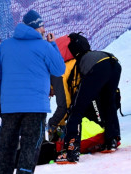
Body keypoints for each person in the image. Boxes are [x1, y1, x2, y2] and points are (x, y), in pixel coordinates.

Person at [0, 10, 65, 174]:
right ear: (36, 26)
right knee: (30, 145)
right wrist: (52, 44)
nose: (44, 30)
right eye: (42, 26)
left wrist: (2, 98)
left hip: (10, 108)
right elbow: (59, 69)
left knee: (7, 146)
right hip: (35, 108)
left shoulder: (5, 45)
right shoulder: (44, 46)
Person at [55, 33, 122, 164]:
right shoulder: (89, 55)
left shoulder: (74, 64)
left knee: (77, 109)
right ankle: (111, 141)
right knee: (109, 103)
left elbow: (70, 101)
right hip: (114, 62)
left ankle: (71, 152)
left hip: (98, 67)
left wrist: (60, 122)